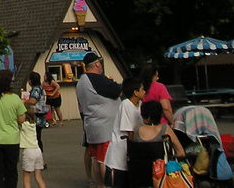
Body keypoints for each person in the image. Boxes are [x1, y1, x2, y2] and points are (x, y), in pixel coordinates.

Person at [75, 52, 121, 188]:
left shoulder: (81, 83)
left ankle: (100, 185)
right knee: (104, 160)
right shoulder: (96, 79)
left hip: (91, 125)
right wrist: (112, 82)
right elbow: (117, 90)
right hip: (104, 126)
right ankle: (107, 185)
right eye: (99, 63)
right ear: (96, 64)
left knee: (96, 159)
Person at [128, 101, 185, 188]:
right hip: (160, 178)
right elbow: (181, 153)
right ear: (160, 114)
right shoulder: (165, 129)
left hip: (138, 177)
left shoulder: (136, 130)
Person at [103, 77, 145, 188]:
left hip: (128, 153)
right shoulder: (126, 104)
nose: (144, 92)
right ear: (135, 92)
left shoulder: (140, 105)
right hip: (119, 155)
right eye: (142, 89)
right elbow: (129, 132)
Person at [19, 107, 46, 188]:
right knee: (38, 177)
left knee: (26, 177)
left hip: (28, 151)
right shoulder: (33, 125)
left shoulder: (23, 125)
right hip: (37, 150)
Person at [27, 72, 47, 150]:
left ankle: (40, 158)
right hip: (40, 115)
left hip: (37, 116)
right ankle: (40, 158)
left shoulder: (36, 89)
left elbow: (33, 101)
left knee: (36, 138)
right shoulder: (40, 88)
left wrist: (23, 101)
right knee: (37, 137)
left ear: (31, 81)